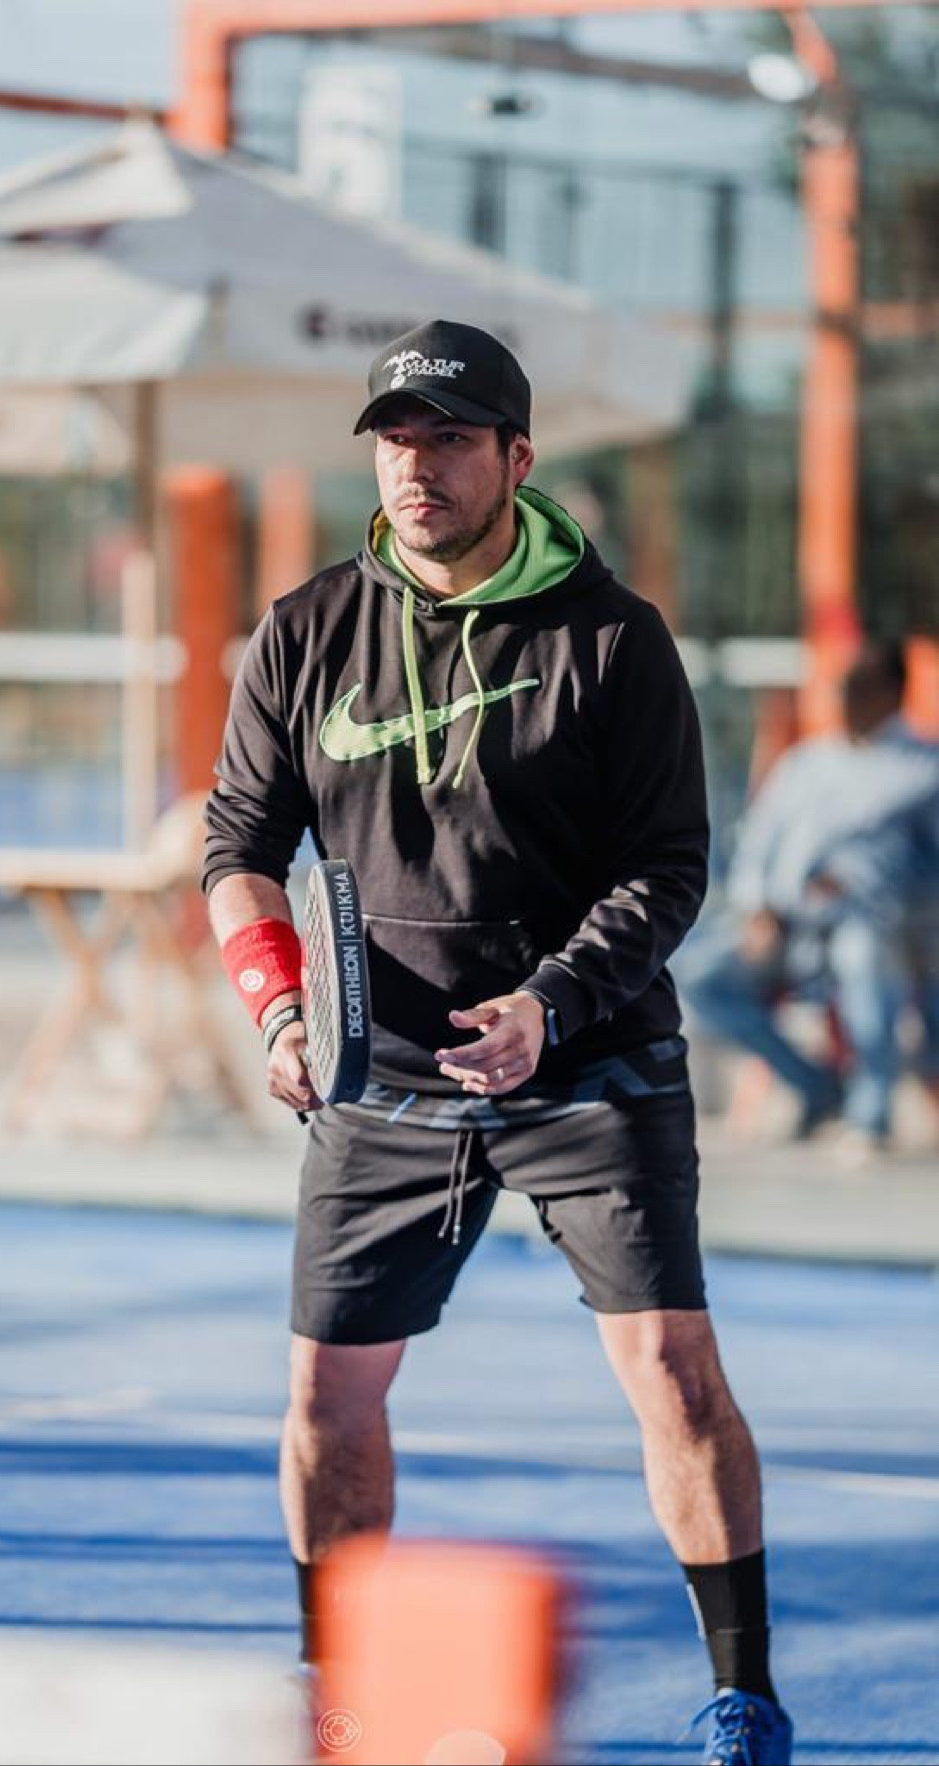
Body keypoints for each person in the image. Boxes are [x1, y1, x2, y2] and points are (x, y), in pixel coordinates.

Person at [203, 321, 793, 1764]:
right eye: (398, 441)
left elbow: (668, 867)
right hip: (379, 1079)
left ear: (518, 458)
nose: (419, 466)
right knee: (327, 1396)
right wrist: (280, 1005)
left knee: (673, 1370)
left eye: (453, 439)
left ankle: (744, 1691)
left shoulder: (615, 638)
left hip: (588, 1062)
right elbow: (238, 848)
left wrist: (551, 1002)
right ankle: (335, 1684)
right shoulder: (304, 630)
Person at [678, 641, 939, 1157]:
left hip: (877, 925)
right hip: (786, 924)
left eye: (859, 690)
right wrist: (758, 906)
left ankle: (871, 1115)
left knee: (862, 962)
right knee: (699, 976)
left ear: (892, 694)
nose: (846, 700)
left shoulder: (924, 768)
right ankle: (816, 1086)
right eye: (843, 689)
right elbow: (759, 840)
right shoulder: (807, 762)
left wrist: (860, 881)